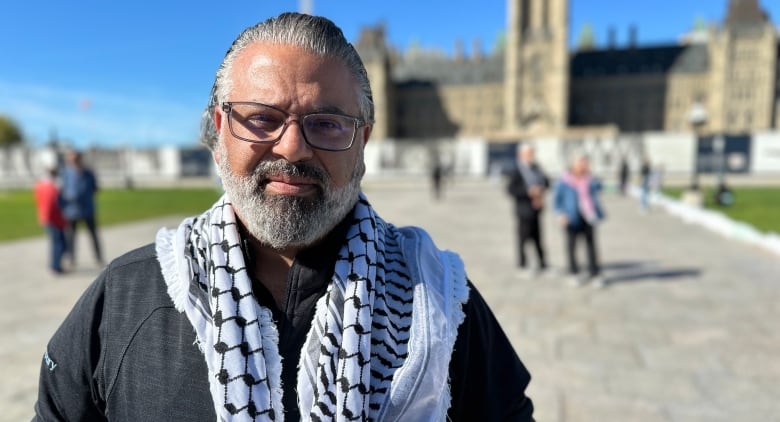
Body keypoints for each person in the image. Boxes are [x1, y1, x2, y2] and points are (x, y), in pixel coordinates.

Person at [34, 13, 534, 421]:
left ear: (363, 141)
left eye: (327, 123)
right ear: (220, 130)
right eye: (261, 118)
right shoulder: (124, 298)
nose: (292, 146)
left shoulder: (442, 304)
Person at [553, 154, 606, 288]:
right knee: (571, 246)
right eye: (581, 163)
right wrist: (560, 214)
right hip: (571, 217)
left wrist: (592, 176)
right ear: (573, 165)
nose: (583, 166)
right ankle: (574, 272)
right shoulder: (564, 181)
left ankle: (595, 273)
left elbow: (600, 187)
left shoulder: (589, 179)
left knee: (591, 246)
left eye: (585, 163)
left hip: (588, 216)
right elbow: (557, 200)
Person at [507, 144, 549, 277]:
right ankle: (523, 265)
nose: (531, 156)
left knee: (538, 238)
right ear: (522, 155)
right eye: (529, 153)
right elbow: (510, 189)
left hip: (536, 209)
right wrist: (527, 191)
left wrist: (540, 188)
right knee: (523, 238)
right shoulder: (517, 170)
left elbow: (547, 182)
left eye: (532, 153)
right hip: (523, 209)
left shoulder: (537, 168)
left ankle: (543, 264)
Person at [60, 149, 103, 267]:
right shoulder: (66, 173)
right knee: (71, 236)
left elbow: (95, 188)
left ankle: (98, 257)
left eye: (76, 159)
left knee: (93, 234)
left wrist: (86, 195)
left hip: (87, 209)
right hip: (72, 210)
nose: (74, 161)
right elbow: (62, 190)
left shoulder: (88, 172)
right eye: (71, 159)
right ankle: (72, 259)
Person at [34, 167, 68, 275]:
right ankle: (55, 266)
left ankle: (56, 265)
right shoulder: (52, 187)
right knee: (58, 244)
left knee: (58, 243)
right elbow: (51, 204)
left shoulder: (40, 185)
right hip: (54, 219)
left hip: (49, 218)